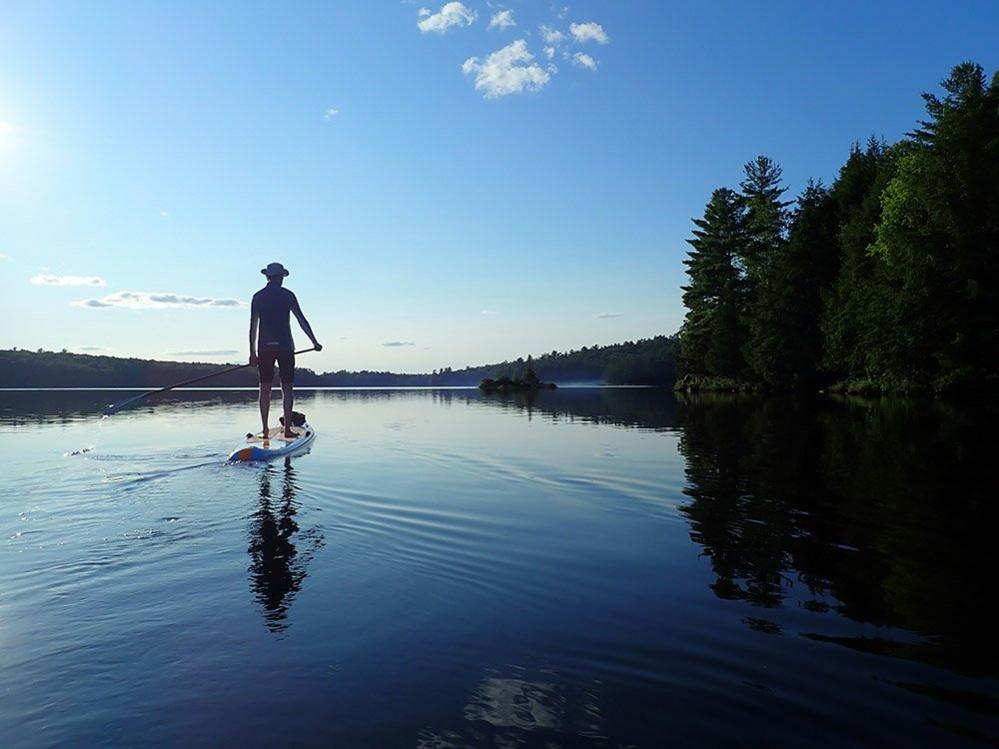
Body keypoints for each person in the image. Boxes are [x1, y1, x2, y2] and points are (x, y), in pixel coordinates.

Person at [249, 262, 322, 439]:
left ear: (267, 276)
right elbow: (301, 320)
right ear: (280, 277)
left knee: (264, 388)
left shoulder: (258, 296)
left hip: (264, 347)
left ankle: (265, 430)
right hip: (285, 347)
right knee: (287, 389)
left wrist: (252, 352)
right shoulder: (288, 295)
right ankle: (287, 429)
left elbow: (253, 325)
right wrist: (314, 342)